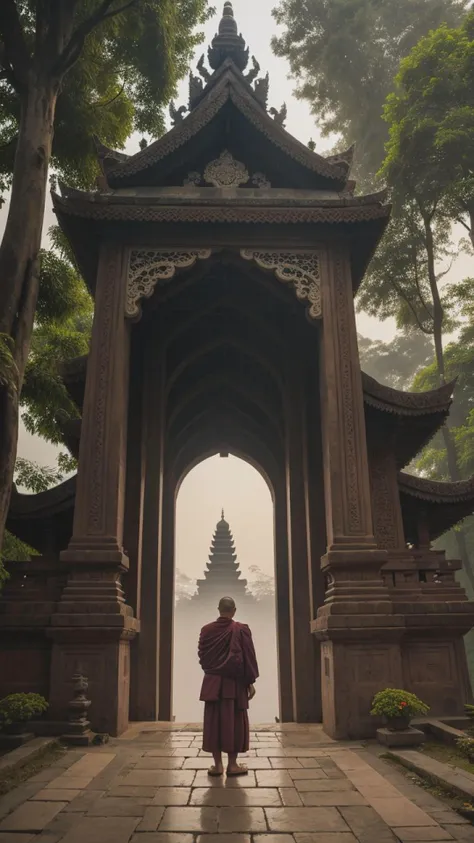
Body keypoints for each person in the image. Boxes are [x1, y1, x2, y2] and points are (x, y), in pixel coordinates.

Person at [198, 595, 259, 777]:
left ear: (218, 609)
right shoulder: (241, 630)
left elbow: (203, 658)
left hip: (213, 684)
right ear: (234, 611)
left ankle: (217, 766)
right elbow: (248, 657)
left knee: (214, 722)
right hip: (234, 683)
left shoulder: (206, 630)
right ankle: (232, 765)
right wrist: (250, 682)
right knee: (234, 722)